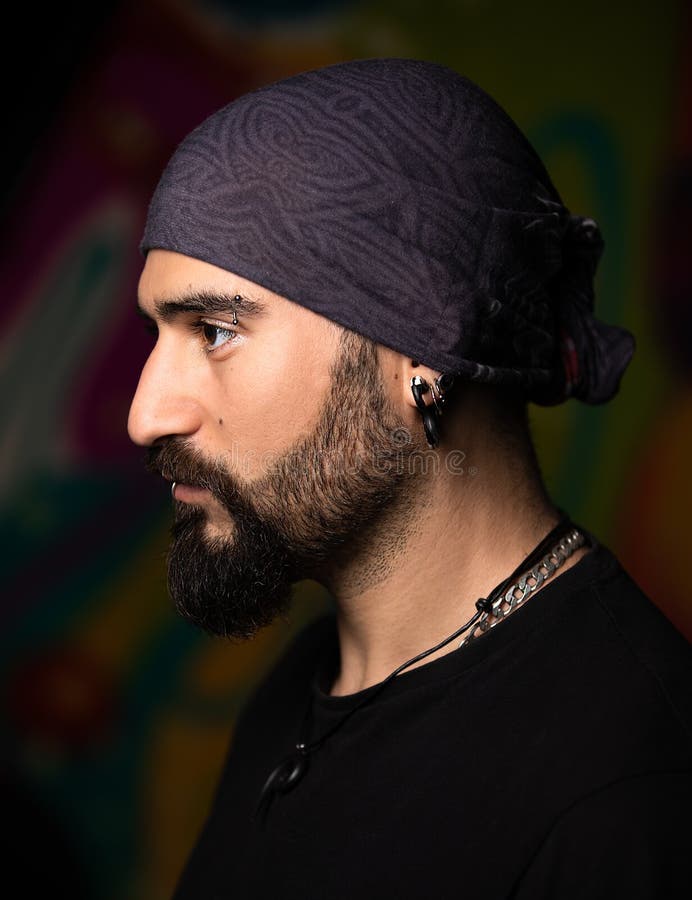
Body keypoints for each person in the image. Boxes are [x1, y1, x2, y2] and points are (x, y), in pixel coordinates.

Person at [127, 58, 692, 899]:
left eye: (213, 330)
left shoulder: (630, 797)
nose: (146, 414)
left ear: (421, 354)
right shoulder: (303, 684)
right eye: (155, 333)